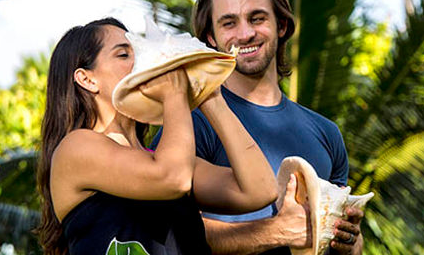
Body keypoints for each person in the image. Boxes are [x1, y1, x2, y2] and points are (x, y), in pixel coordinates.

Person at [153, 0, 364, 255]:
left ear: (281, 25)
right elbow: (164, 231)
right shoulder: (190, 125)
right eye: (229, 23)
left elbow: (347, 239)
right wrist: (277, 231)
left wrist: (349, 241)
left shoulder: (327, 133)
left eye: (257, 18)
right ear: (211, 39)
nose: (245, 33)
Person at [37, 17, 277, 255]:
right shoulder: (76, 147)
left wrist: (211, 98)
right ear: (87, 79)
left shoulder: (165, 159)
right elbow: (174, 178)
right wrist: (173, 93)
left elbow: (260, 190)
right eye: (124, 54)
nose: (142, 59)